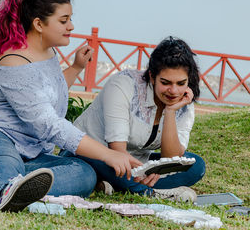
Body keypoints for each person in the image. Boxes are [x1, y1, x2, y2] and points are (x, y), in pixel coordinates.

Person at [0, 0, 142, 213]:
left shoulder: (48, 53)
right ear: (38, 24)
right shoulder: (14, 61)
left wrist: (76, 67)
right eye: (63, 20)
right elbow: (49, 124)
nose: (71, 26)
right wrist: (108, 154)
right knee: (4, 159)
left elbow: (47, 93)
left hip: (30, 154)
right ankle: (5, 187)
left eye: (70, 19)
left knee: (84, 173)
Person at [60, 37, 206, 202]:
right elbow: (117, 150)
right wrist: (143, 173)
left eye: (181, 83)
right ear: (152, 76)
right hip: (94, 154)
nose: (173, 91)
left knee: (196, 165)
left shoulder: (183, 100)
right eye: (165, 83)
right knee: (106, 164)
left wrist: (171, 111)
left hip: (136, 164)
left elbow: (171, 158)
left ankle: (113, 185)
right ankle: (149, 193)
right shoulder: (123, 86)